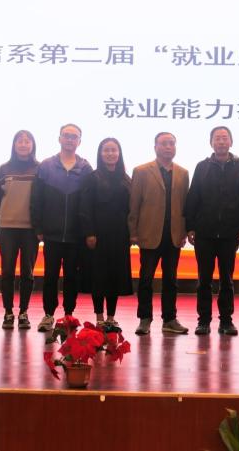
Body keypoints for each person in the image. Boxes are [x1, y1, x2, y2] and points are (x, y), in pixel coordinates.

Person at [184, 126, 239, 336]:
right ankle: (203, 321)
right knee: (204, 280)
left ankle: (226, 321)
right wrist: (190, 226)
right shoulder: (202, 167)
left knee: (227, 280)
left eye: (224, 138)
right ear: (211, 142)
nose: (221, 142)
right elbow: (193, 196)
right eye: (217, 138)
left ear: (231, 142)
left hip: (229, 233)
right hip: (204, 233)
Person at [30, 123, 92, 332]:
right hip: (51, 234)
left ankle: (68, 315)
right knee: (50, 276)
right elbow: (36, 199)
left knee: (71, 277)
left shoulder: (85, 168)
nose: (70, 140)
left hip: (76, 235)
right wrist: (38, 227)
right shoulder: (46, 166)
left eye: (74, 137)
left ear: (79, 141)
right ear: (59, 139)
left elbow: (88, 203)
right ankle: (48, 314)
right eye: (66, 135)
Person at [128, 132, 190, 336]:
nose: (168, 147)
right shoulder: (141, 171)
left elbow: (185, 206)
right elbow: (134, 204)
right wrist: (133, 231)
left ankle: (170, 319)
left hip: (173, 234)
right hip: (149, 233)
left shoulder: (183, 173)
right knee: (146, 279)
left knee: (171, 280)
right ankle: (144, 319)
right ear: (155, 147)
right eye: (164, 143)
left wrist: (184, 231)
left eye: (172, 143)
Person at [79, 138, 134, 333]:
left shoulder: (126, 179)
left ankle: (111, 317)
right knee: (98, 277)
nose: (110, 154)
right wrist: (89, 233)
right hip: (97, 236)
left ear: (119, 154)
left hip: (120, 236)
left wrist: (132, 233)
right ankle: (99, 317)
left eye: (114, 150)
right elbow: (85, 208)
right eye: (106, 150)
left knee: (114, 277)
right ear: (100, 154)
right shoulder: (92, 178)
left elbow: (132, 210)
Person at [0, 130, 40, 330]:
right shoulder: (4, 169)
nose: (23, 144)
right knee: (7, 271)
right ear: (14, 145)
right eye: (19, 141)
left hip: (30, 229)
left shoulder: (40, 169)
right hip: (8, 228)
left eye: (27, 141)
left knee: (27, 272)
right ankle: (8, 312)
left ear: (32, 145)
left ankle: (23, 312)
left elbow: (42, 199)